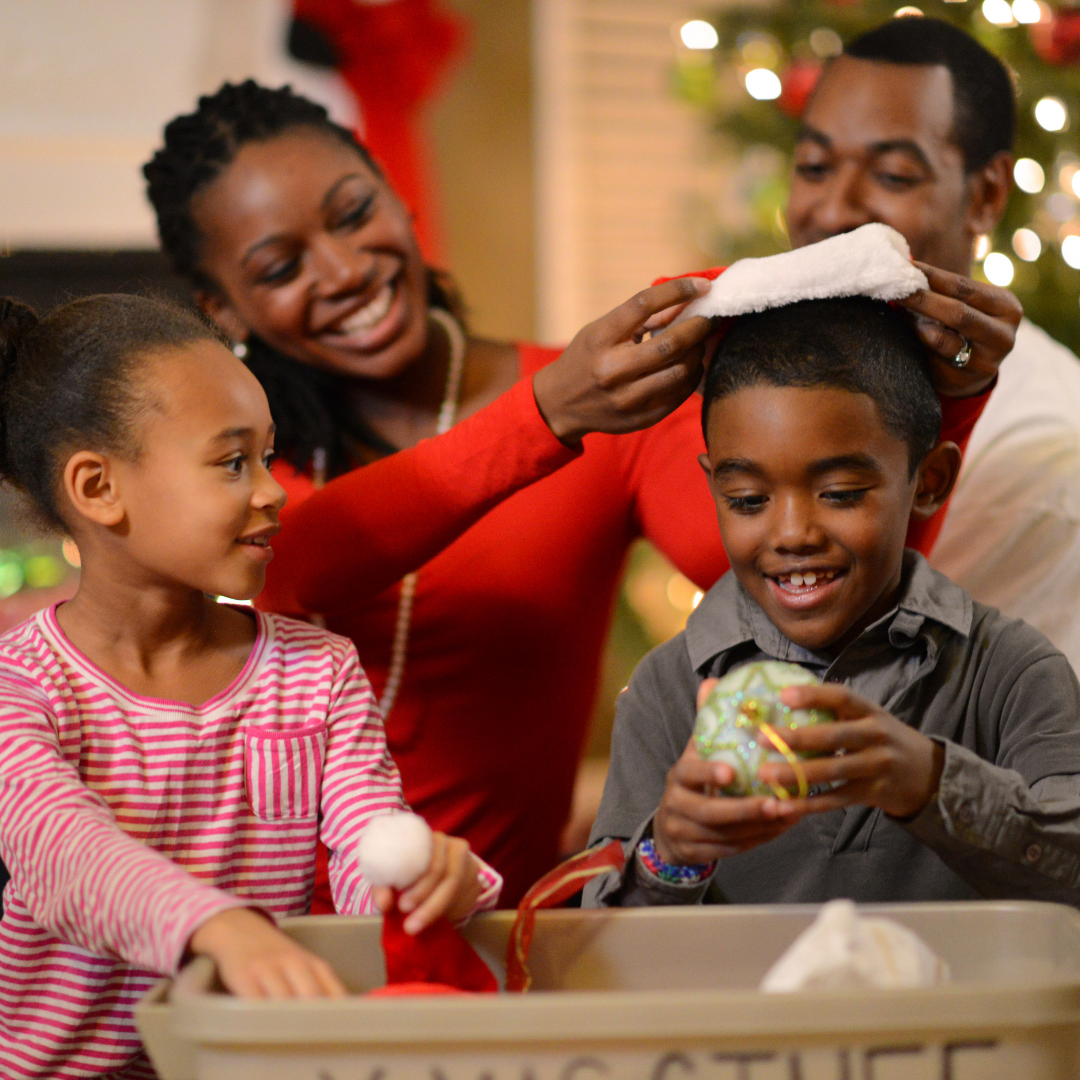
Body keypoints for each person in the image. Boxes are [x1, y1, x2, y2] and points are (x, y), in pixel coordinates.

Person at [142, 81, 1007, 907]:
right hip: (255, 932)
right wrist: (547, 412)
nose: (340, 269)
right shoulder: (229, 453)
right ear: (224, 308)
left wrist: (950, 402)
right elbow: (279, 565)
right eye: (281, 265)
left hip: (484, 942)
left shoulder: (602, 410)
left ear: (396, 197)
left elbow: (820, 583)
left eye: (354, 212)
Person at [0, 294, 497, 1080]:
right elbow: (64, 854)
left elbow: (372, 848)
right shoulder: (20, 686)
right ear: (98, 488)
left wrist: (432, 882)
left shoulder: (317, 673)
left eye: (269, 456)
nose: (273, 491)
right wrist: (219, 928)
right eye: (233, 462)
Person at [584, 296, 1080, 910]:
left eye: (841, 493)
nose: (792, 533)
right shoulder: (667, 690)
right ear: (713, 485)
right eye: (747, 500)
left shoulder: (1011, 672)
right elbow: (597, 951)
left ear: (929, 481)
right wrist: (671, 854)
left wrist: (926, 780)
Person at [782, 16, 1080, 672]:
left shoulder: (1039, 450)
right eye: (813, 165)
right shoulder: (769, 365)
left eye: (891, 175)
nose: (832, 210)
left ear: (986, 195)